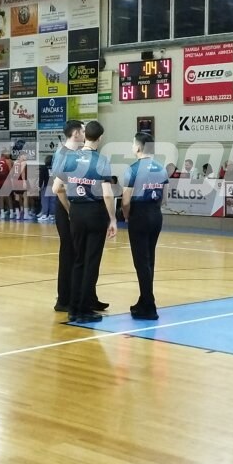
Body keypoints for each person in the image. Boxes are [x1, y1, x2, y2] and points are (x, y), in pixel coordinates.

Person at [53, 120, 116, 323]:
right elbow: (107, 194)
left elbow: (56, 187)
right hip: (94, 212)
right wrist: (113, 218)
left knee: (78, 260)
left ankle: (74, 307)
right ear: (100, 137)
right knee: (91, 262)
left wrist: (71, 209)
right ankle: (83, 308)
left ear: (85, 135)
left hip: (76, 212)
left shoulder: (70, 158)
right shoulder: (101, 160)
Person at [123, 131, 168, 320]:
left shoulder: (133, 169)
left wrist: (127, 216)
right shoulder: (161, 168)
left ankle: (149, 306)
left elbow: (126, 201)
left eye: (133, 144)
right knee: (149, 260)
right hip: (155, 214)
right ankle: (144, 300)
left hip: (139, 214)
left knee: (141, 262)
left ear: (138, 147)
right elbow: (165, 198)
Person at [51, 121, 86, 312]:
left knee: (76, 252)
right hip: (66, 208)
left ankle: (77, 295)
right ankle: (63, 299)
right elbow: (59, 188)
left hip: (74, 206)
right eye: (83, 130)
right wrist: (70, 211)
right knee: (68, 253)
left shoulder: (77, 153)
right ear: (76, 133)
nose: (85, 133)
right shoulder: (64, 154)